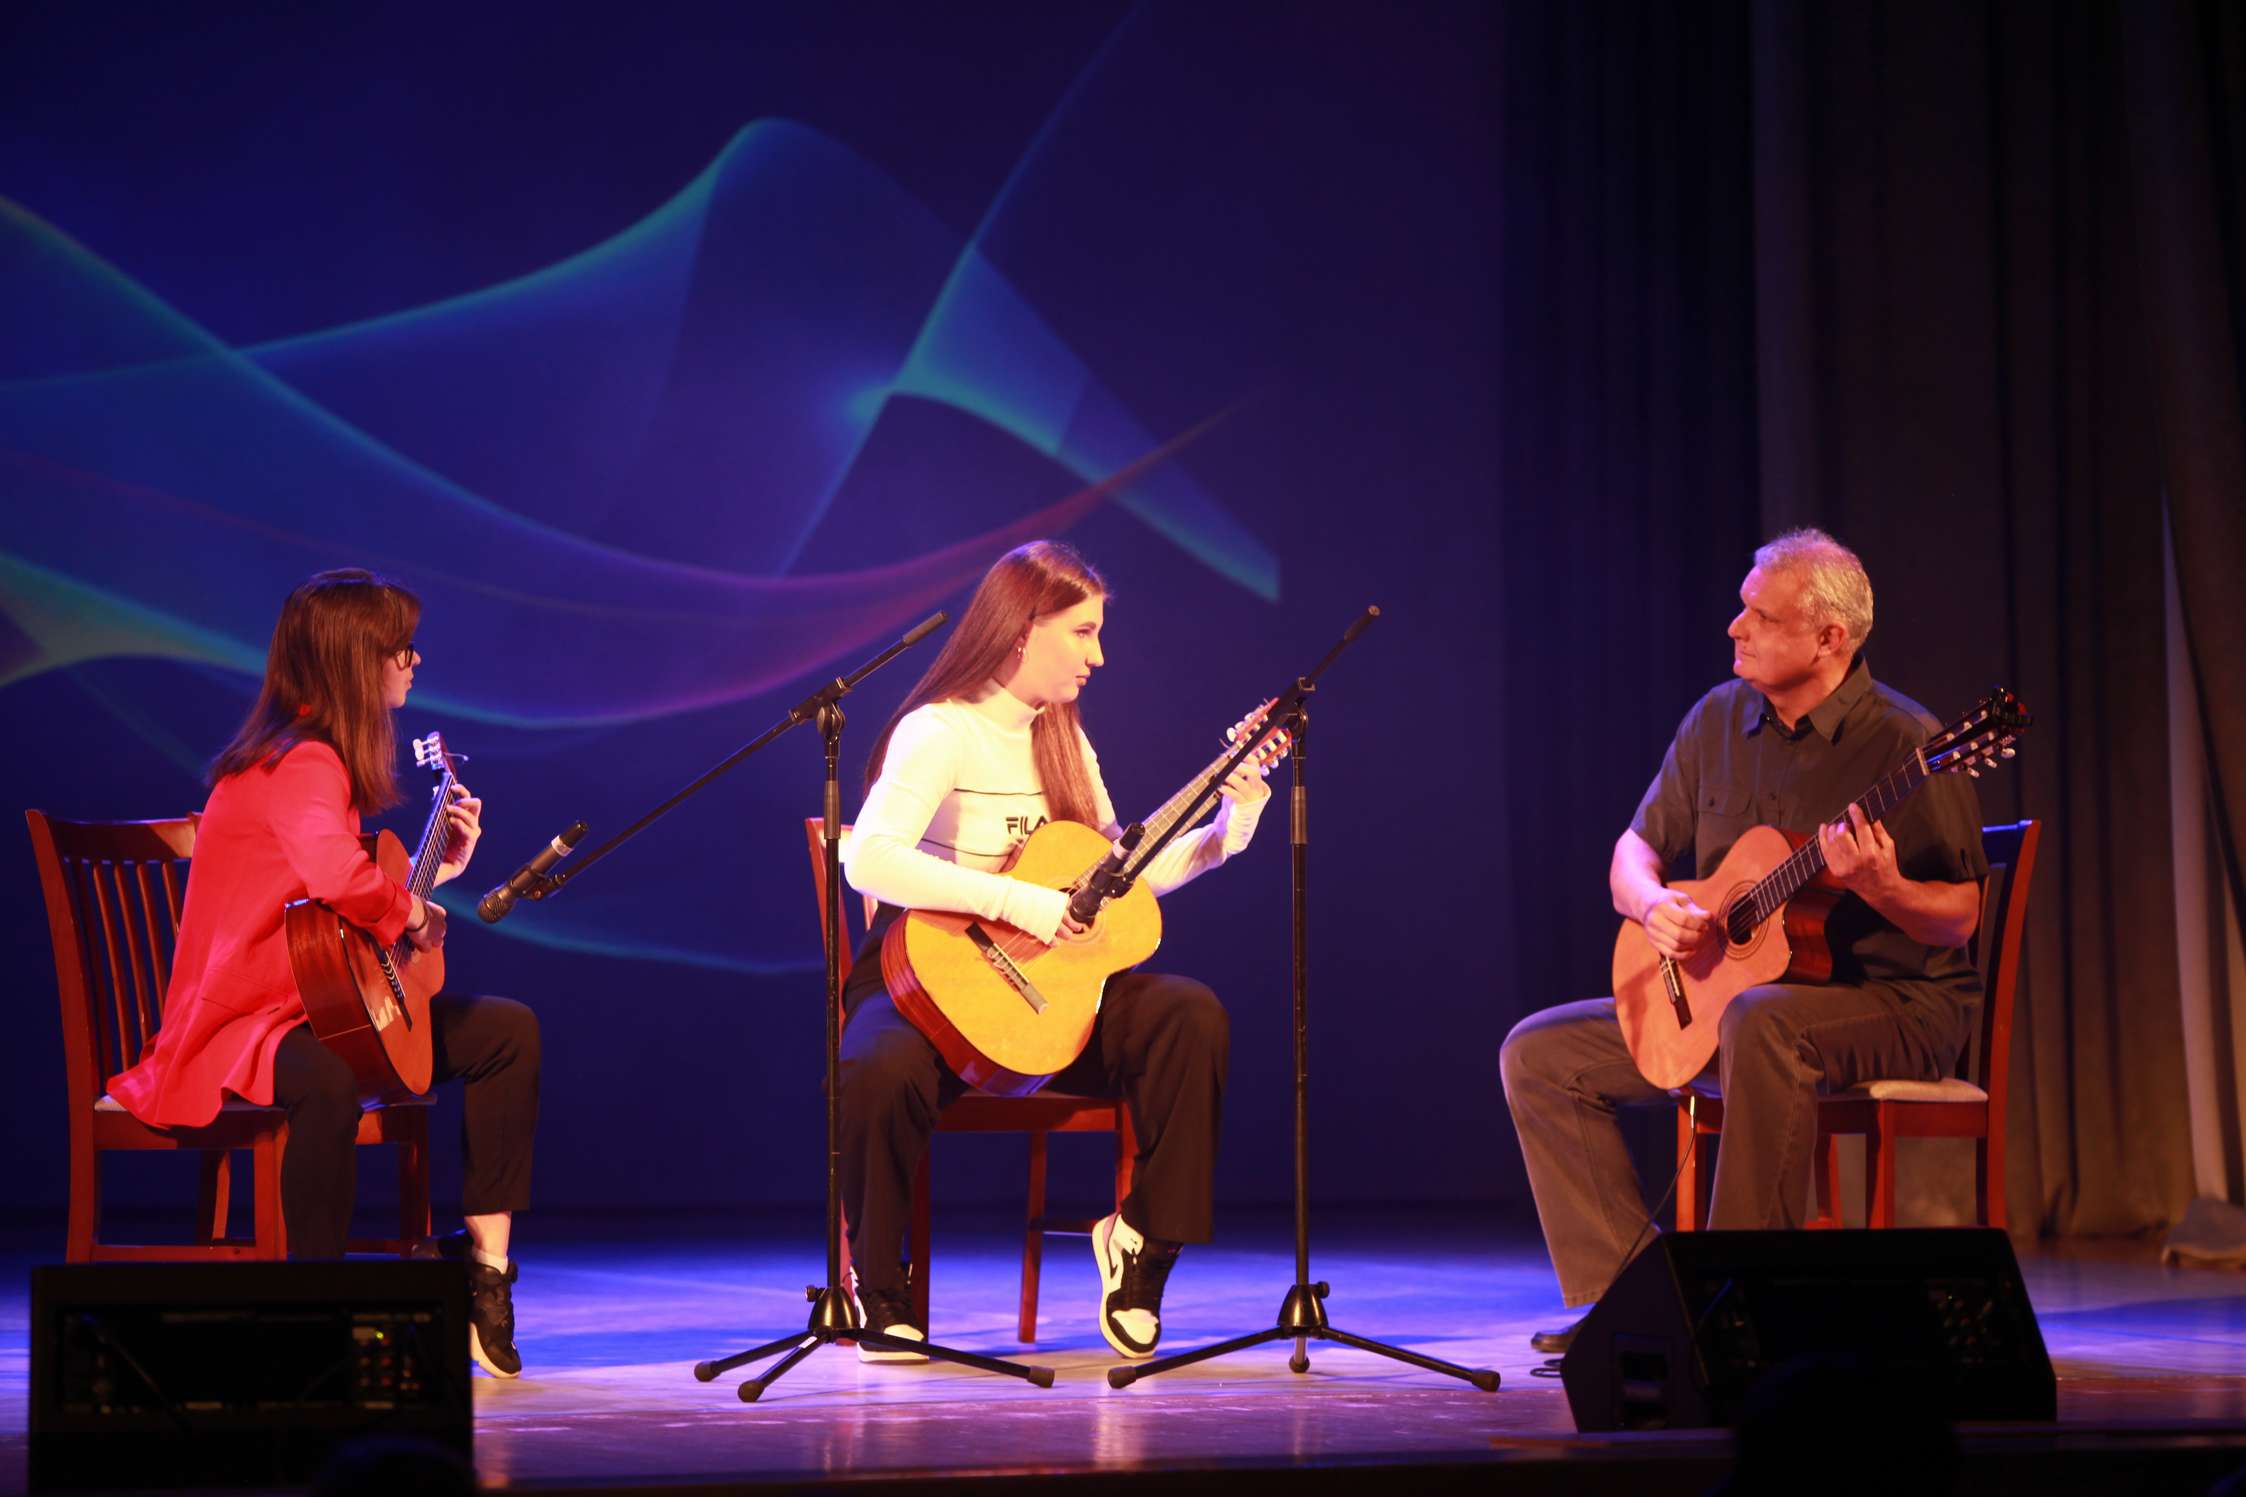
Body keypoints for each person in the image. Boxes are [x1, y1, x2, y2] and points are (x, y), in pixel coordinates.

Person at [1499, 529, 1986, 1350]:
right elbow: (1631, 852)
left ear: (1829, 638)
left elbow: (1960, 915)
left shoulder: (1907, 745)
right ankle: (1637, 1302)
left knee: (1762, 1022)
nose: (1735, 626)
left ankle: (1736, 1307)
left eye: (1760, 615)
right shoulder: (1718, 719)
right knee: (1539, 1056)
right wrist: (1652, 903)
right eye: (1741, 608)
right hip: (1739, 1004)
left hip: (1895, 1000)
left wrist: (1884, 886)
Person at [837, 539, 1269, 1362]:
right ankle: (882, 1285)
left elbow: (1117, 876)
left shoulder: (1066, 740)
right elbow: (871, 858)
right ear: (1021, 627)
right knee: (878, 1066)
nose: (1097, 656)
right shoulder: (940, 731)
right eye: (1083, 632)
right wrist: (1021, 902)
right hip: (928, 987)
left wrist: (1226, 829)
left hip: (1046, 998)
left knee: (1188, 1013)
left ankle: (1142, 1241)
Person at [111, 569, 540, 1379]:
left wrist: (436, 875)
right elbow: (339, 878)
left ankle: (483, 1270)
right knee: (329, 1082)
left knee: (506, 1033)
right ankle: (316, 1310)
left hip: (307, 1008)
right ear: (355, 657)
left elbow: (332, 911)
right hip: (242, 1023)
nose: (414, 661)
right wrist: (414, 913)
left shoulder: (315, 759)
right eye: (400, 647)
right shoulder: (302, 760)